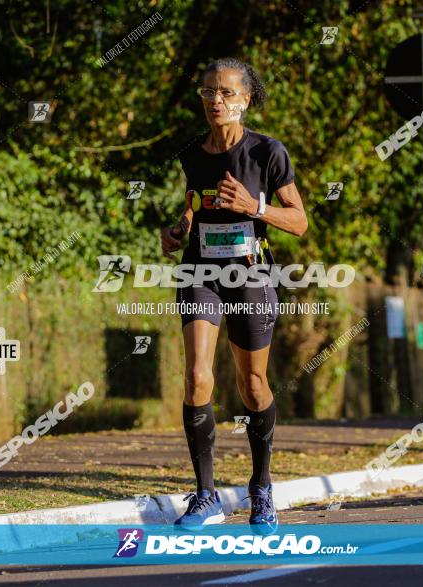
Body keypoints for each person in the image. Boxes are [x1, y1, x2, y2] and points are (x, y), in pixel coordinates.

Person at [160, 57, 308, 534]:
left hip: (250, 277)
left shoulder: (268, 152)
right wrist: (179, 229)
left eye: (225, 93)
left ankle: (260, 488)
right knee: (197, 377)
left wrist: (254, 206)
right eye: (208, 92)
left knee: (252, 387)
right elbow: (193, 203)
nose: (215, 101)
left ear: (245, 100)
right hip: (200, 273)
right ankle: (205, 496)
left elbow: (300, 222)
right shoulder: (191, 152)